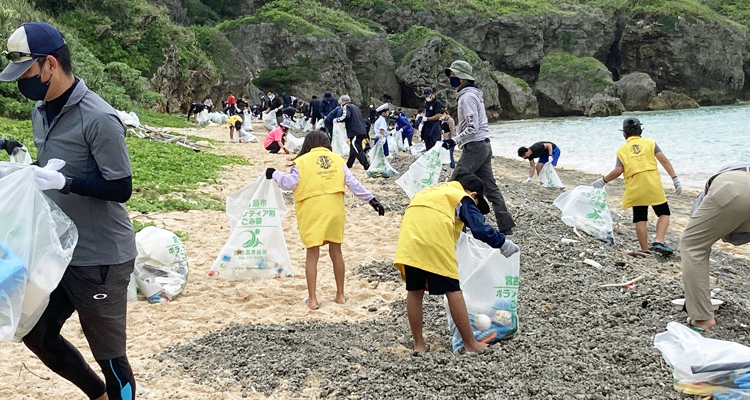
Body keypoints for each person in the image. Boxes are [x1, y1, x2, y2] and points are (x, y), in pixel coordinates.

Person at [0, 22, 136, 400]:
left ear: (50, 65)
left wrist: (67, 183)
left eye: (25, 72)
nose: (20, 82)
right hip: (59, 250)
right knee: (37, 334)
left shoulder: (99, 118)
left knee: (110, 357)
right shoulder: (40, 112)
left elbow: (122, 188)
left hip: (101, 257)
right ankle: (98, 395)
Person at [394, 175, 519, 352]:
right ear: (473, 194)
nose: (474, 206)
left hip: (409, 243)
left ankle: (419, 345)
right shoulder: (461, 197)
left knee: (415, 292)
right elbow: (479, 229)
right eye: (476, 204)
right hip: (434, 242)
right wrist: (502, 243)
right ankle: (470, 343)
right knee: (453, 290)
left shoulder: (430, 191)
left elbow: (431, 217)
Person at [267, 130, 385, 310]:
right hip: (334, 210)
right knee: (336, 252)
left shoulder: (302, 162)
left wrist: (274, 173)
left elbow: (289, 183)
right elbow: (353, 183)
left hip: (311, 211)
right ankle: (340, 295)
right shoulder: (337, 160)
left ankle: (313, 299)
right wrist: (372, 200)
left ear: (308, 144)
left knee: (312, 254)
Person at [442, 60, 516, 235]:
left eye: (452, 75)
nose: (450, 78)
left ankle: (458, 225)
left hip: (474, 147)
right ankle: (506, 226)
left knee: (456, 184)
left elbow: (472, 126)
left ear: (461, 78)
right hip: (484, 145)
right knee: (491, 188)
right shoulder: (474, 94)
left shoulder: (466, 97)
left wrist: (454, 140)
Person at [592, 117, 681, 255]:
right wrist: (675, 179)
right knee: (664, 213)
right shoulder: (650, 143)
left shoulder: (622, 150)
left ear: (624, 133)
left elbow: (618, 170)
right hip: (652, 184)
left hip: (635, 187)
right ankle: (658, 241)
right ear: (641, 130)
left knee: (640, 218)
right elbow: (664, 161)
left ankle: (645, 250)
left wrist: (603, 181)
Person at [680, 163, 750, 332]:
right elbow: (737, 236)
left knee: (692, 246)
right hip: (738, 189)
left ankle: (702, 319)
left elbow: (700, 237)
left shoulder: (705, 196)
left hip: (734, 188)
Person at [334, 95, 370, 170]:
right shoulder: (355, 107)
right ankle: (348, 165)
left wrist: (337, 120)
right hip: (361, 130)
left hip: (355, 131)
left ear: (343, 101)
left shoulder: (346, 106)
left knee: (357, 149)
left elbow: (346, 116)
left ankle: (366, 165)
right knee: (352, 149)